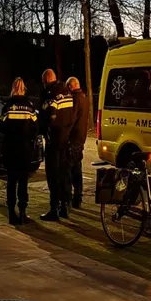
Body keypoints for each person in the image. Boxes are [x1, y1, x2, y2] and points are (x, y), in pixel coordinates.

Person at [0, 78, 38, 225]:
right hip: (25, 149)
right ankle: (22, 212)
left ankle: (11, 213)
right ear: (24, 89)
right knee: (23, 182)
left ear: (13, 88)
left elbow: (0, 128)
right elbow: (35, 128)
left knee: (11, 181)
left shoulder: (7, 106)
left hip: (10, 149)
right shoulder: (29, 106)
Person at [38, 69, 74, 221]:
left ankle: (54, 209)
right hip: (66, 139)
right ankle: (65, 207)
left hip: (54, 140)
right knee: (64, 173)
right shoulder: (67, 92)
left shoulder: (50, 94)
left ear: (46, 81)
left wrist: (44, 127)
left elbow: (51, 114)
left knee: (53, 175)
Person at [66, 77, 89, 209]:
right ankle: (78, 198)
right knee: (77, 169)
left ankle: (69, 199)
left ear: (71, 86)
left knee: (70, 170)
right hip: (81, 138)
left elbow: (72, 119)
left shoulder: (75, 99)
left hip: (73, 138)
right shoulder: (84, 98)